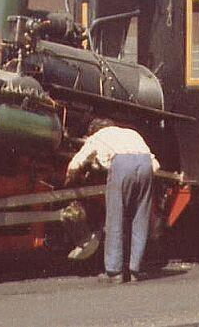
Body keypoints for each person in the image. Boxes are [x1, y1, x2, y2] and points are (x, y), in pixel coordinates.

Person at [65, 118, 159, 283]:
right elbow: (156, 165)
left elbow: (76, 162)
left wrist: (69, 178)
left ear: (93, 131)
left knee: (115, 218)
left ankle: (114, 272)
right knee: (140, 218)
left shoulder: (97, 136)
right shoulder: (132, 133)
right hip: (146, 165)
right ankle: (135, 270)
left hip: (121, 165)